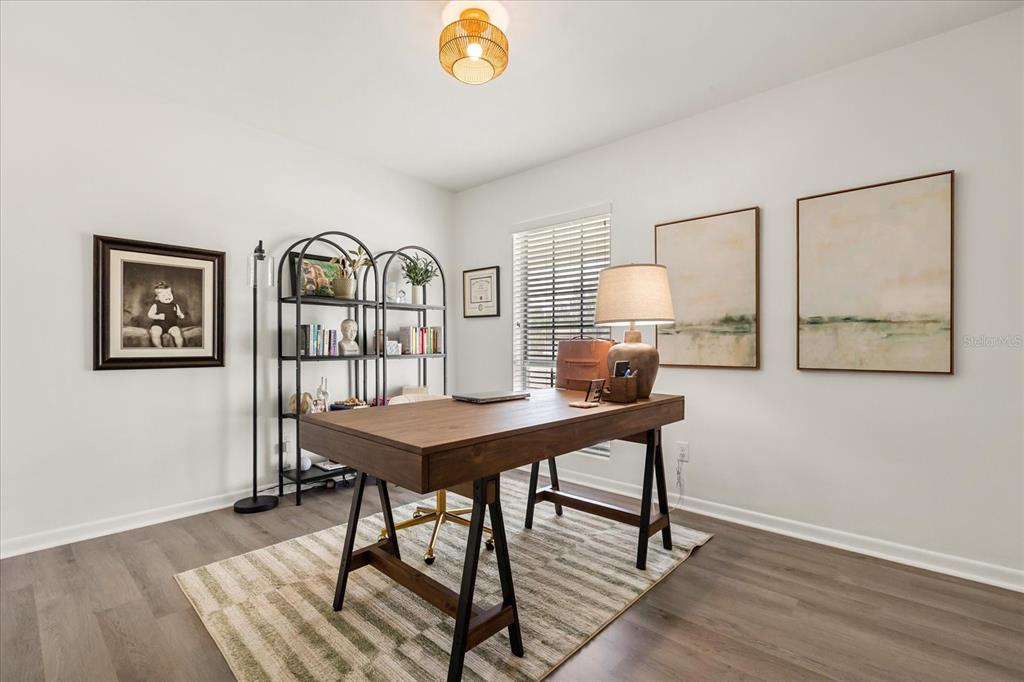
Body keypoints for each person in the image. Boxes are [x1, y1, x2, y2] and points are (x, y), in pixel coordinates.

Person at [147, 281, 186, 348]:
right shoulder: (156, 305)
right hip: (158, 325)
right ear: (157, 298)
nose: (167, 296)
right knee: (155, 332)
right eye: (164, 295)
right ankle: (159, 347)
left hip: (172, 325)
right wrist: (158, 316)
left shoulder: (175, 305)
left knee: (177, 332)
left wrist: (181, 315)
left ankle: (179, 347)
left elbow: (179, 313)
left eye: (169, 294)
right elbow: (150, 315)